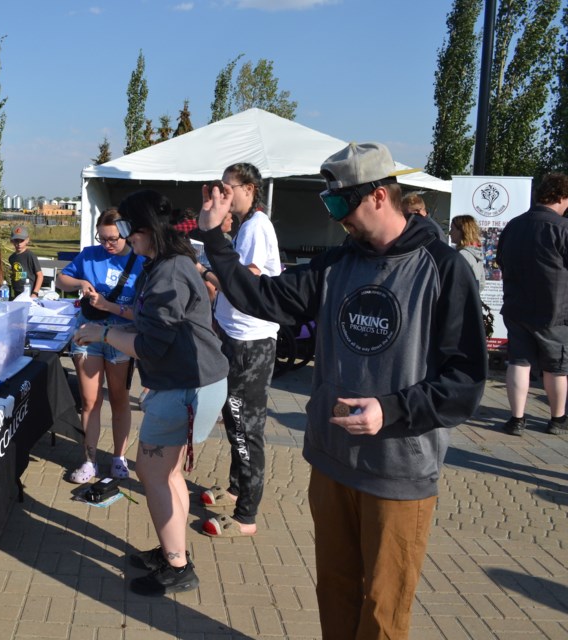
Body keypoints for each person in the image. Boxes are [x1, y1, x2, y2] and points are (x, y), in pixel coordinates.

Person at [199, 142, 486, 638]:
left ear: (379, 196)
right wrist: (215, 239)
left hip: (398, 470)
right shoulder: (335, 265)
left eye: (340, 205)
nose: (336, 218)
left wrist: (392, 409)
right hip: (331, 461)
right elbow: (261, 298)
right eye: (328, 205)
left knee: (382, 608)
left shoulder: (442, 268)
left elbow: (465, 384)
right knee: (334, 589)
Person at [73, 190, 227, 596]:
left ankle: (177, 566)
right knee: (167, 472)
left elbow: (152, 345)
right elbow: (150, 325)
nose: (123, 237)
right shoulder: (163, 265)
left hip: (185, 387)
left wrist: (102, 332)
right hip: (184, 383)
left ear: (146, 229)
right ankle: (172, 551)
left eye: (127, 228)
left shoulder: (169, 271)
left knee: (152, 472)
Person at [195, 163, 281, 538]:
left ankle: (247, 515)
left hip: (251, 342)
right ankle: (235, 488)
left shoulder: (258, 227)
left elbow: (246, 283)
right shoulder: (247, 226)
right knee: (234, 419)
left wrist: (207, 273)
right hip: (236, 337)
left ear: (249, 189)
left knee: (247, 427)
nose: (222, 197)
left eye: (228, 189)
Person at [56, 209, 145, 483]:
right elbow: (61, 279)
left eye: (113, 239)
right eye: (102, 238)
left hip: (121, 337)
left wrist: (108, 306)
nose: (107, 244)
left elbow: (144, 314)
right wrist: (80, 282)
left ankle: (118, 457)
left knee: (119, 399)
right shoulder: (90, 254)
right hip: (87, 334)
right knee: (90, 401)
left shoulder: (141, 261)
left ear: (126, 234)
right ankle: (90, 460)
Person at [496, 172, 568, 437]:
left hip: (516, 307)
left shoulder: (513, 225)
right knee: (556, 368)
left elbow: (501, 260)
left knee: (519, 362)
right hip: (554, 311)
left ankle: (516, 420)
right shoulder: (563, 228)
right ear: (561, 197)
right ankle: (557, 419)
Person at [449, 215, 486, 293]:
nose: (450, 233)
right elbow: (481, 284)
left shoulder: (463, 255)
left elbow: (456, 284)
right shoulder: (476, 253)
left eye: (452, 229)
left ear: (462, 231)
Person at [8, 226, 43, 297]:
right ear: (12, 241)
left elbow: (40, 275)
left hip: (29, 293)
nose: (19, 243)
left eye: (22, 240)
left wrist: (35, 293)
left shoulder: (30, 256)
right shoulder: (12, 258)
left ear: (27, 240)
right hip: (16, 293)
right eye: (16, 240)